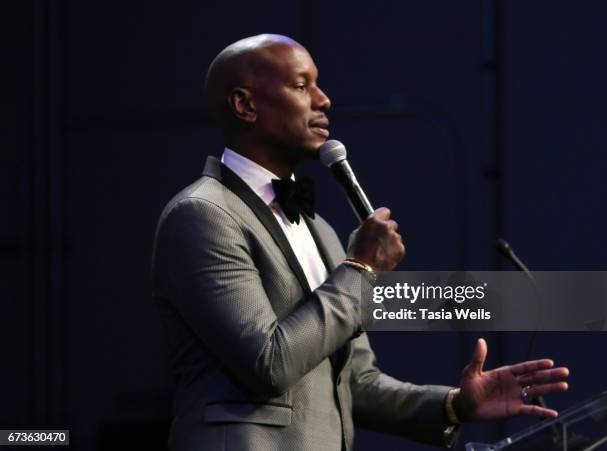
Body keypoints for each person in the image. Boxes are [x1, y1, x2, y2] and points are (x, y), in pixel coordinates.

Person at [151, 34, 569, 450]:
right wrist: (360, 269)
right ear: (245, 105)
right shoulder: (203, 215)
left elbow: (355, 382)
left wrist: (455, 405)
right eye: (301, 86)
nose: (324, 99)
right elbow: (269, 363)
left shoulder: (323, 232)